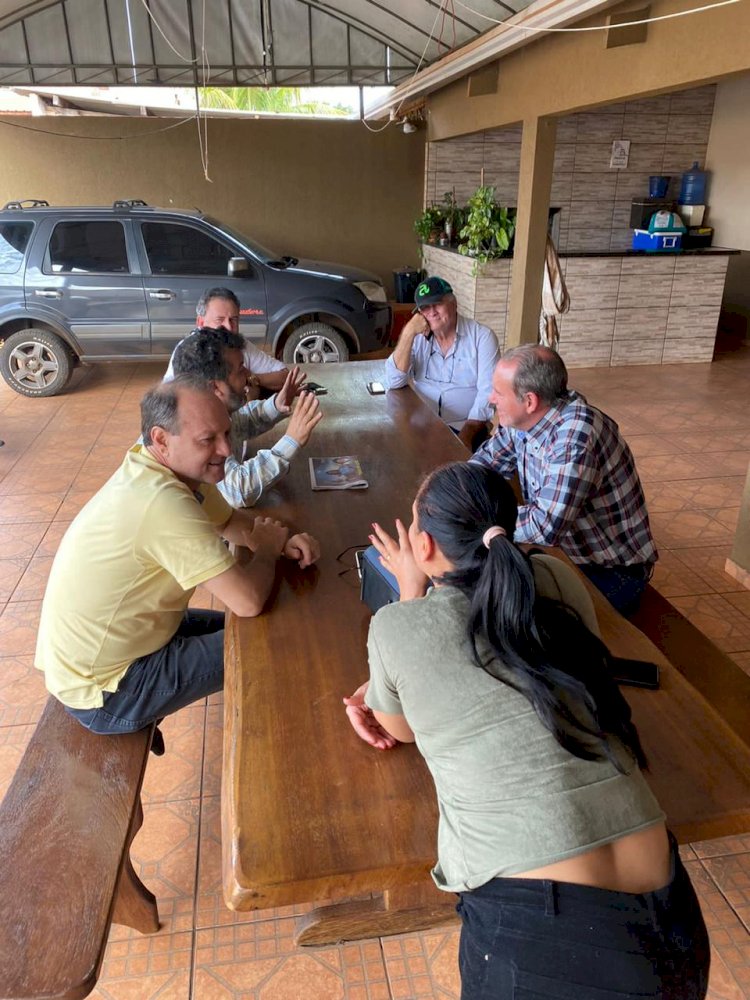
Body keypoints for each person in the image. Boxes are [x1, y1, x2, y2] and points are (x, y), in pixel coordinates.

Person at [344, 462, 709, 1000]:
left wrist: (408, 594)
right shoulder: (555, 577)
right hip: (671, 914)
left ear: (422, 546)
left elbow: (399, 728)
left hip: (548, 938)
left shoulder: (399, 623)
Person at [34, 376, 320, 738]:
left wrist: (283, 542)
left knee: (260, 630)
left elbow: (230, 521)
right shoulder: (160, 502)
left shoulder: (168, 473)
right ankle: (280, 751)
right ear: (161, 439)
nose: (226, 451)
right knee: (264, 643)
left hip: (122, 645)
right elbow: (247, 600)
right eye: (208, 440)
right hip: (107, 690)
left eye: (226, 434)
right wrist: (265, 548)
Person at [472, 344, 657, 614]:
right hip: (566, 553)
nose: (491, 399)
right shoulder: (525, 420)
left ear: (530, 401)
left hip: (610, 573)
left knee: (507, 610)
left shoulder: (575, 437)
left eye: (498, 393)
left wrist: (477, 519)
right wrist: (453, 490)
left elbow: (545, 525)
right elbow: (484, 465)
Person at [172, 327, 322, 506]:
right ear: (215, 388)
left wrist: (277, 404)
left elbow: (241, 422)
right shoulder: (195, 430)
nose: (249, 375)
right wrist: (291, 440)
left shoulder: (209, 411)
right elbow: (238, 490)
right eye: (240, 370)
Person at [384, 276, 499, 449]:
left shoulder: (482, 337)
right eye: (424, 308)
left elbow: (487, 394)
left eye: (437, 303)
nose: (432, 312)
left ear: (454, 304)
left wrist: (464, 438)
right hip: (421, 426)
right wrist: (408, 333)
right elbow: (394, 381)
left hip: (466, 426)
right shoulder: (417, 337)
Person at [164, 286, 289, 393]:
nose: (229, 327)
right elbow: (172, 396)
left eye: (233, 320)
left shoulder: (241, 345)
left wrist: (250, 379)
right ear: (200, 323)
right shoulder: (187, 351)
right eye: (220, 320)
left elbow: (285, 376)